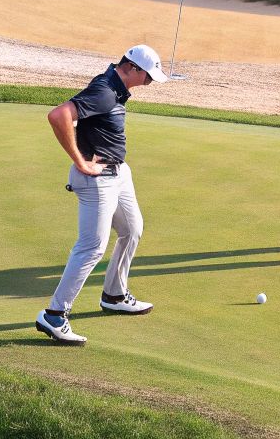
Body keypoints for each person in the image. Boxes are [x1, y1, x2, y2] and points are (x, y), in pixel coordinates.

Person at [34, 44, 168, 346]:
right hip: (98, 181)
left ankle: (114, 295)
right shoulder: (105, 91)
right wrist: (80, 162)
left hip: (119, 173)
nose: (150, 82)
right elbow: (58, 115)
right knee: (92, 247)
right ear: (132, 68)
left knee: (132, 229)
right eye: (148, 76)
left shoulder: (116, 88)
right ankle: (54, 315)